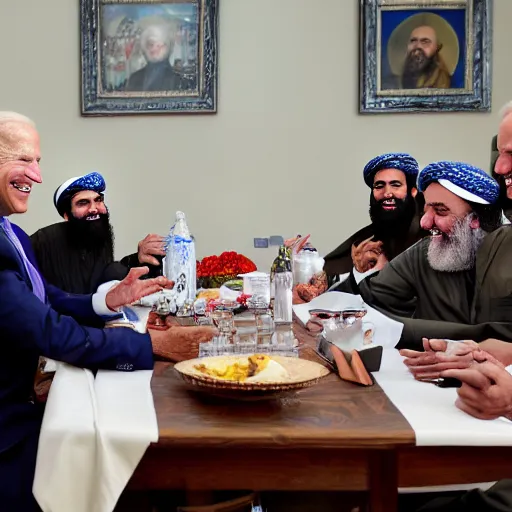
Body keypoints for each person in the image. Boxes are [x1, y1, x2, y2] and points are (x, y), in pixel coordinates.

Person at [0, 111, 215, 511]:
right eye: (22, 159)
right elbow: (50, 332)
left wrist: (108, 300)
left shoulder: (11, 233)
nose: (37, 175)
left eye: (38, 162)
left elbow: (47, 298)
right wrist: (150, 344)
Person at [334, 160, 512, 348]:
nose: (425, 223)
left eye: (440, 211)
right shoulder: (425, 252)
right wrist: (360, 274)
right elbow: (366, 302)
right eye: (425, 210)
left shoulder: (505, 252)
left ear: (476, 219)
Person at [31, 172, 166, 294]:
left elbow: (103, 277)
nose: (94, 209)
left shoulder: (96, 235)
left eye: (98, 200)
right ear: (66, 215)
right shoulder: (44, 241)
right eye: (83, 203)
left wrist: (137, 259)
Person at [323, 153, 427, 288]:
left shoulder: (428, 236)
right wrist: (359, 271)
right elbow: (331, 273)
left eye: (395, 185)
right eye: (379, 186)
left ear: (412, 191)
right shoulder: (367, 239)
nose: (387, 193)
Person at [125, 22, 186, 92]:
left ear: (168, 48)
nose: (155, 48)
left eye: (159, 44)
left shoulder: (177, 79)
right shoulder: (134, 78)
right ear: (145, 46)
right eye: (151, 44)